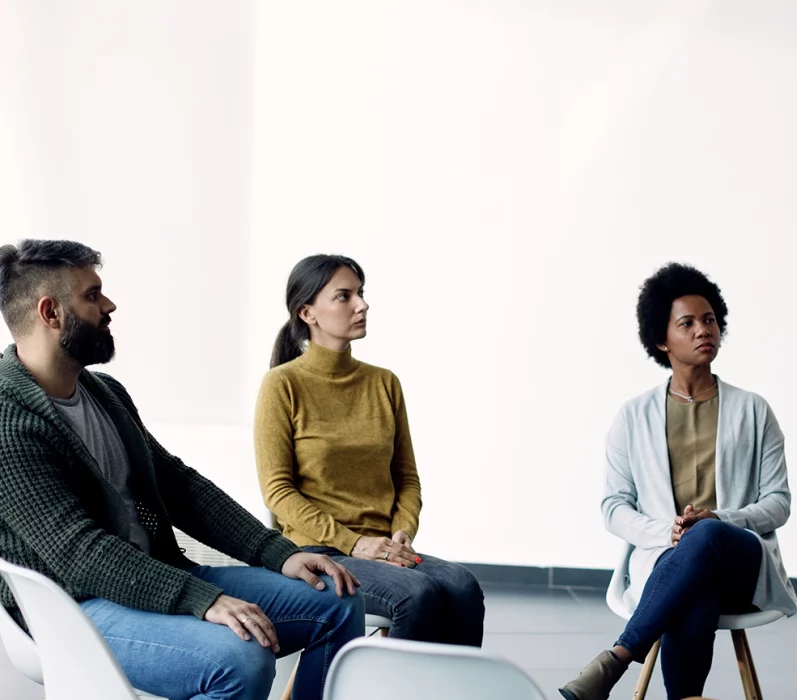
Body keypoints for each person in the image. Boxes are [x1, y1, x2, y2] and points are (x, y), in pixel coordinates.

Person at [0, 239, 364, 700]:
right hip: (74, 609)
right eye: (92, 296)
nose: (109, 305)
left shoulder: (104, 393)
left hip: (155, 573)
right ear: (50, 313)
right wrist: (201, 599)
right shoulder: (8, 421)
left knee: (337, 600)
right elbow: (80, 553)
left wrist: (279, 552)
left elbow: (178, 486)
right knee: (238, 659)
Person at [559, 263, 797, 700]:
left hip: (741, 560)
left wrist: (721, 518)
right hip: (667, 561)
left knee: (706, 536)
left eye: (709, 319)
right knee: (695, 585)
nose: (703, 329)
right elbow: (614, 506)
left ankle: (615, 659)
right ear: (661, 340)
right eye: (686, 323)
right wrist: (664, 531)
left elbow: (778, 502)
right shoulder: (633, 417)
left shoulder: (754, 410)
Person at [254, 254, 484, 646]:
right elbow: (278, 492)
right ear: (308, 312)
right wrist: (355, 543)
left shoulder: (384, 383)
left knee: (463, 585)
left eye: (360, 293)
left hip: (384, 547)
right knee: (417, 595)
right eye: (345, 296)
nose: (362, 305)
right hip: (322, 550)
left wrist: (402, 530)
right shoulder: (282, 385)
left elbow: (406, 478)